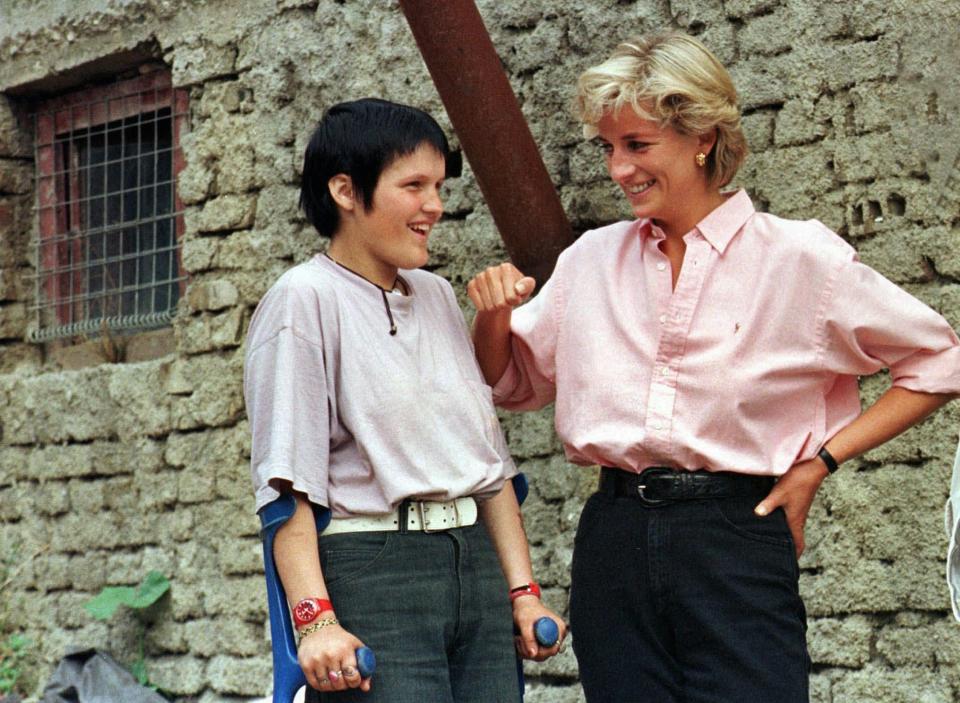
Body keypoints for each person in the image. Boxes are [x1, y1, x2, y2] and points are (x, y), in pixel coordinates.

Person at [467, 33, 960, 702]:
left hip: (736, 534)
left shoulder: (799, 259)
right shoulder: (590, 261)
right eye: (608, 147)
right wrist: (492, 316)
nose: (618, 169)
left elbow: (939, 360)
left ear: (701, 136)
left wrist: (822, 461)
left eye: (637, 145)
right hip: (614, 538)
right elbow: (509, 382)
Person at [244, 98, 565, 703]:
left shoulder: (438, 296)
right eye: (413, 185)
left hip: (473, 566)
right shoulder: (303, 300)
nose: (434, 206)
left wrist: (523, 593)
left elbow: (489, 468)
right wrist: (315, 621)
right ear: (345, 190)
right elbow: (288, 485)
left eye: (438, 186)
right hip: (373, 569)